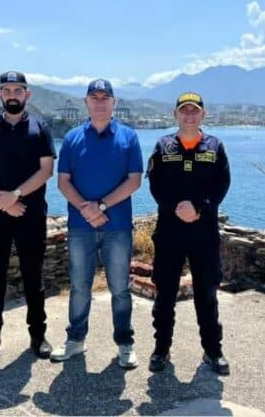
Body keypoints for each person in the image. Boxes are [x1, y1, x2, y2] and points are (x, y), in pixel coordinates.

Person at [51, 79, 143, 368]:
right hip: (80, 227)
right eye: (95, 97)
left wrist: (100, 206)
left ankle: (125, 344)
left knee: (120, 288)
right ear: (86, 102)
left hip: (117, 227)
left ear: (114, 103)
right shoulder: (72, 138)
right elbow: (63, 181)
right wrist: (87, 209)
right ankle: (76, 340)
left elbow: (135, 181)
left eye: (106, 97)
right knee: (80, 287)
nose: (100, 102)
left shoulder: (129, 137)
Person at [0, 71, 56, 359]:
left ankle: (38, 336)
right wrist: (1, 200)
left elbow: (46, 171)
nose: (13, 95)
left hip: (30, 215)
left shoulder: (40, 127)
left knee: (34, 276)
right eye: (7, 90)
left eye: (18, 90)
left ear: (27, 94)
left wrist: (15, 195)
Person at [146, 91, 231, 374]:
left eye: (195, 111)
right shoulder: (163, 146)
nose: (189, 115)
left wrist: (198, 209)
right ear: (175, 115)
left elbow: (221, 186)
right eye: (184, 110)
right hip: (169, 231)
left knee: (206, 293)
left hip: (204, 232)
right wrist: (176, 208)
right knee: (165, 293)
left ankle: (212, 350)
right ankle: (161, 349)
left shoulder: (215, 147)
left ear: (203, 115)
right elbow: (156, 186)